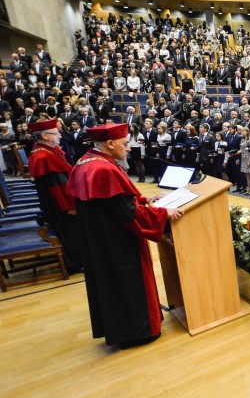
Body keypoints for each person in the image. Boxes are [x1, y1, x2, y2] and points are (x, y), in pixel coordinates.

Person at [66, 123, 183, 349]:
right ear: (110, 144)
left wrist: (143, 200)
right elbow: (126, 214)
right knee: (127, 283)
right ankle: (138, 332)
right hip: (116, 243)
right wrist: (162, 213)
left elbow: (115, 202)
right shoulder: (103, 170)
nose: (129, 148)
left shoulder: (87, 161)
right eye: (125, 144)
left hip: (101, 240)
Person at [27, 119, 83, 273]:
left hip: (57, 200)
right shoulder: (43, 156)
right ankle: (75, 263)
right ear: (45, 136)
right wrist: (70, 206)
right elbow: (58, 186)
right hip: (60, 204)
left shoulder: (47, 150)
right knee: (71, 231)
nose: (60, 135)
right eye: (56, 133)